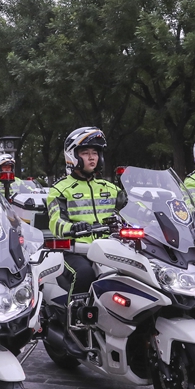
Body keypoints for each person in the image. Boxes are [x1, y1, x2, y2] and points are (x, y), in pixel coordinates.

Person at [47, 127, 121, 312]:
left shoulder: (110, 188)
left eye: (95, 152)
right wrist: (72, 228)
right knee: (85, 274)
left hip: (110, 249)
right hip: (77, 251)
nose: (92, 157)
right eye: (85, 153)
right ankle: (75, 318)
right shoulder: (60, 189)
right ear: (73, 156)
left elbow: (134, 210)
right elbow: (55, 222)